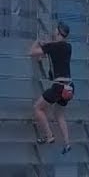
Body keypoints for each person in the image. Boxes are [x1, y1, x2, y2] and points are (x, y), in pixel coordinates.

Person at [29, 21, 73, 154]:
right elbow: (55, 52)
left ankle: (49, 136)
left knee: (37, 108)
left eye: (55, 30)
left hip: (59, 86)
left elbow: (32, 52)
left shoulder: (52, 46)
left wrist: (37, 41)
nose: (53, 31)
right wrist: (46, 46)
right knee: (59, 115)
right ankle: (67, 143)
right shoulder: (68, 47)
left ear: (58, 32)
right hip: (70, 87)